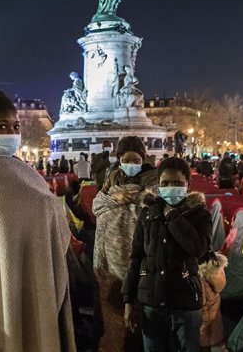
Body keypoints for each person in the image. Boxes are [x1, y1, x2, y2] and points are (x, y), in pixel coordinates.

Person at [0, 90, 75, 352]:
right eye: (1, 126)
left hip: (21, 259)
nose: (11, 133)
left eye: (15, 126)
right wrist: (53, 209)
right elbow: (42, 203)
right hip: (12, 261)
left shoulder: (3, 163)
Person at [122, 156, 212, 351]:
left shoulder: (199, 214)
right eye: (166, 183)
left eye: (178, 183)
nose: (171, 187)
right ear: (158, 185)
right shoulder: (148, 214)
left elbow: (198, 249)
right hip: (152, 302)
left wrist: (172, 216)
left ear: (188, 185)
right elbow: (137, 257)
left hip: (186, 301)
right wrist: (128, 299)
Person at [93, 136, 158, 351]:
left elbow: (155, 208)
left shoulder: (153, 179)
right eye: (126, 159)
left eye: (136, 159)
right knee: (111, 313)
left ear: (143, 158)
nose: (131, 164)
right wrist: (116, 198)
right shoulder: (112, 177)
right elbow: (99, 203)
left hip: (138, 260)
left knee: (137, 317)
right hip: (108, 261)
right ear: (119, 158)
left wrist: (128, 199)